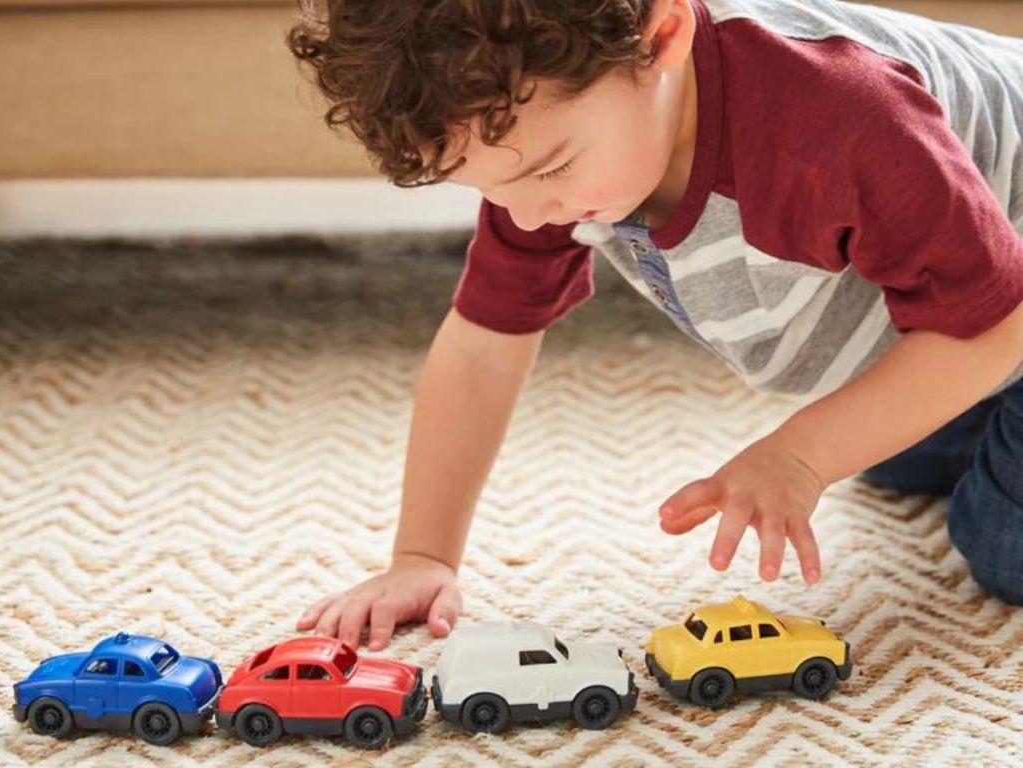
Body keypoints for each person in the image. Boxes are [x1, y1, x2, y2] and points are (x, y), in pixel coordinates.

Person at [287, 0, 1023, 649]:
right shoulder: (543, 144)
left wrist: (801, 456)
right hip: (958, 295)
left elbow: (1000, 323)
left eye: (548, 171)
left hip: (1007, 311)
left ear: (662, 36)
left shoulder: (836, 115)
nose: (526, 214)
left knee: (1001, 543)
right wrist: (423, 556)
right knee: (894, 454)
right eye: (488, 187)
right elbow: (484, 344)